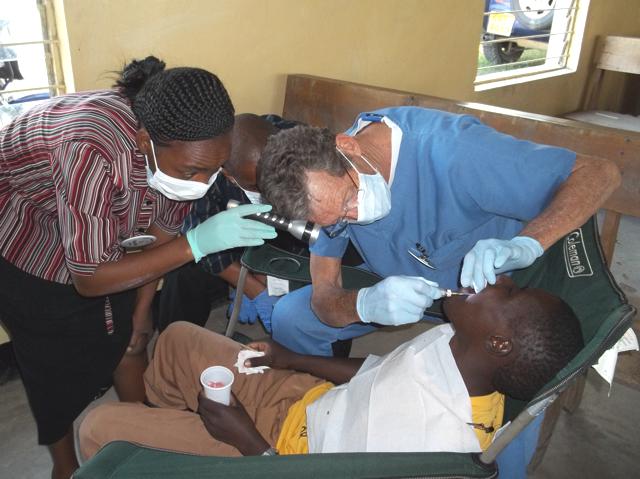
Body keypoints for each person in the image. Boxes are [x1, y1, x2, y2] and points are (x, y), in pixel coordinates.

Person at [0, 56, 277, 479]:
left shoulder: (184, 151)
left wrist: (141, 312)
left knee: (130, 339)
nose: (203, 183)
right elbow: (90, 279)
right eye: (194, 171)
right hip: (25, 229)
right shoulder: (88, 145)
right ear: (145, 141)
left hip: (95, 222)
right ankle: (64, 465)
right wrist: (197, 243)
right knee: (48, 363)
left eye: (214, 168)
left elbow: (160, 237)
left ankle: (142, 430)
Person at [79, 275, 584, 460]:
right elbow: (380, 372)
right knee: (177, 341)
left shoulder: (439, 447)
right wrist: (290, 359)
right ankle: (174, 437)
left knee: (100, 430)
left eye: (509, 293)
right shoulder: (456, 344)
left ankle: (161, 452)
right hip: (304, 400)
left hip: (279, 457)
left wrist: (247, 442)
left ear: (497, 342)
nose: (495, 280)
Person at [256, 107, 620, 357]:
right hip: (409, 296)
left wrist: (526, 244)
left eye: (350, 198)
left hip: (495, 296)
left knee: (510, 363)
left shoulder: (454, 152)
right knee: (292, 317)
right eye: (337, 219)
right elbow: (324, 296)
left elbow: (599, 174)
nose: (354, 216)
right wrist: (364, 304)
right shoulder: (330, 200)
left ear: (347, 147)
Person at [156, 113, 304, 333]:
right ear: (227, 174)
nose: (269, 191)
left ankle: (318, 357)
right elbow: (198, 238)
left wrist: (264, 275)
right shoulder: (202, 171)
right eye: (256, 185)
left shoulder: (298, 143)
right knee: (184, 271)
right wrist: (253, 289)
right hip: (227, 240)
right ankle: (177, 338)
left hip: (286, 237)